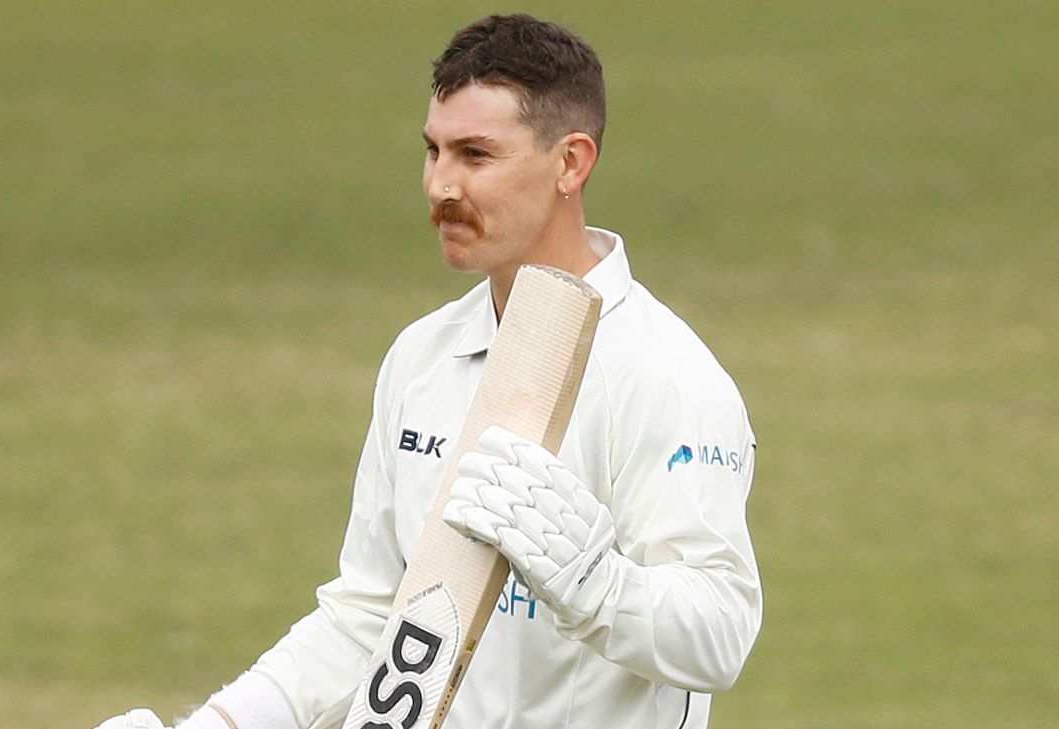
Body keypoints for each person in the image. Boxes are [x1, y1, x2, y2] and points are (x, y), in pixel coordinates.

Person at [97, 13, 761, 729]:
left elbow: (721, 634)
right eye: (434, 151)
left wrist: (595, 582)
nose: (441, 184)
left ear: (570, 163)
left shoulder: (666, 376)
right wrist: (216, 724)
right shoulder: (422, 357)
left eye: (476, 155)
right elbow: (369, 616)